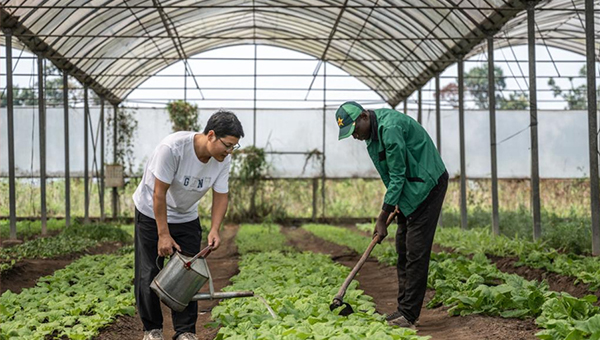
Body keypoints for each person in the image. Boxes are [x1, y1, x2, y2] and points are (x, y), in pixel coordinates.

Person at [132, 110, 244, 340]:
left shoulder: (222, 160)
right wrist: (163, 234)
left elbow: (221, 194)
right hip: (151, 212)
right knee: (149, 271)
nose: (230, 151)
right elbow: (158, 194)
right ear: (211, 135)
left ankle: (185, 332)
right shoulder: (173, 149)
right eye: (228, 145)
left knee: (189, 272)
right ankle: (152, 329)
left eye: (234, 147)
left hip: (186, 216)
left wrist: (215, 228)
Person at [335, 101, 448, 329]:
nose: (355, 136)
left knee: (415, 250)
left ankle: (408, 315)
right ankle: (402, 310)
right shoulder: (371, 138)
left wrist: (382, 216)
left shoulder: (391, 128)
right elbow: (390, 177)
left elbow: (398, 174)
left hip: (427, 186)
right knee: (402, 248)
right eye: (351, 134)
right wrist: (395, 205)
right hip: (409, 190)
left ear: (365, 116)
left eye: (355, 129)